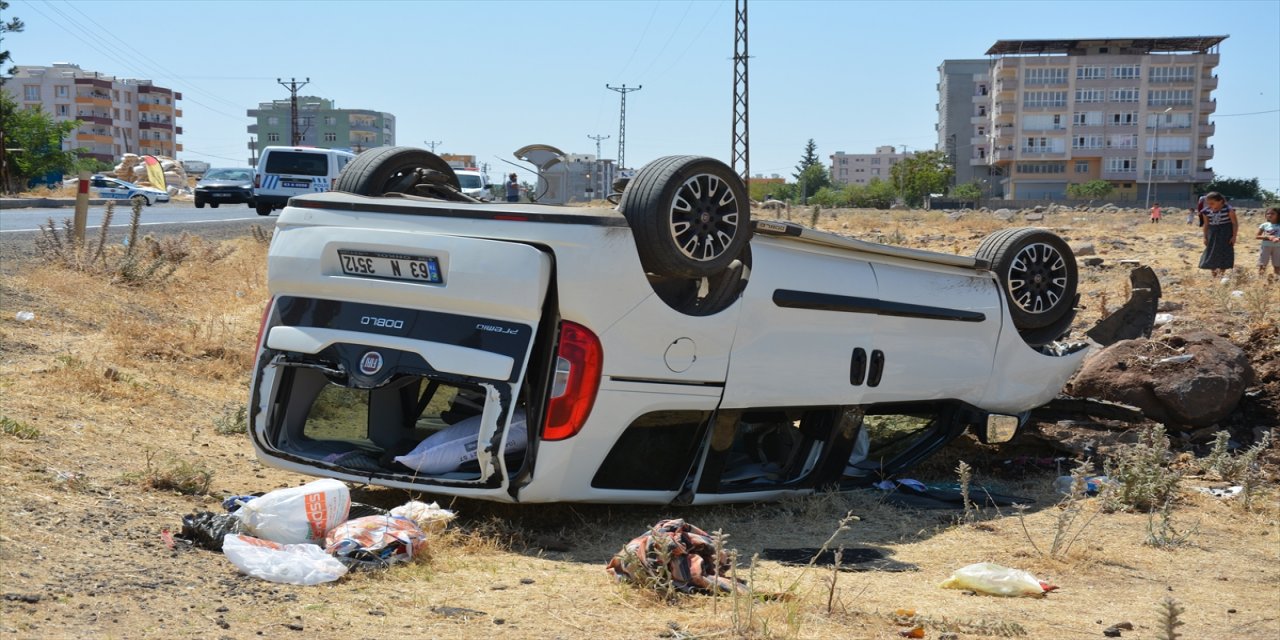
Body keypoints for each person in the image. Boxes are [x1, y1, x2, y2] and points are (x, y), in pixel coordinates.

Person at [1197, 192, 1238, 281]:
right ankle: (1214, 276)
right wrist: (1205, 237)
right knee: (1212, 254)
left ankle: (1221, 275)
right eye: (1208, 203)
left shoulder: (1229, 210)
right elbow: (1206, 225)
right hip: (1213, 234)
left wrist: (1234, 236)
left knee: (1224, 254)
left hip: (1225, 234)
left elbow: (1234, 223)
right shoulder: (1206, 211)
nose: (1210, 205)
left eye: (1212, 203)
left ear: (1220, 201)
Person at [1257, 207, 1280, 280]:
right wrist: (1268, 237)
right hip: (1265, 247)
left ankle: (1277, 279)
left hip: (1278, 247)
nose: (1270, 215)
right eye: (1268, 213)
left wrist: (1278, 238)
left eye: (1272, 213)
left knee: (1277, 265)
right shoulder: (1264, 225)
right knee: (1262, 264)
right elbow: (1257, 236)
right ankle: (1260, 280)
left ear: (1278, 215)